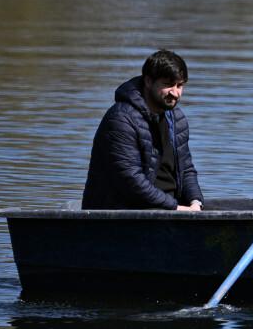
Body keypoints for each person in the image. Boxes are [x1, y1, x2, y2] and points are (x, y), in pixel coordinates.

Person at [82, 50, 203, 211]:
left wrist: (195, 202)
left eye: (179, 85)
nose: (175, 93)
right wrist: (176, 208)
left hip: (168, 213)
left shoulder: (177, 119)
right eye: (168, 85)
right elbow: (131, 180)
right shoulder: (121, 119)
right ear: (148, 81)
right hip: (123, 214)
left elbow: (185, 169)